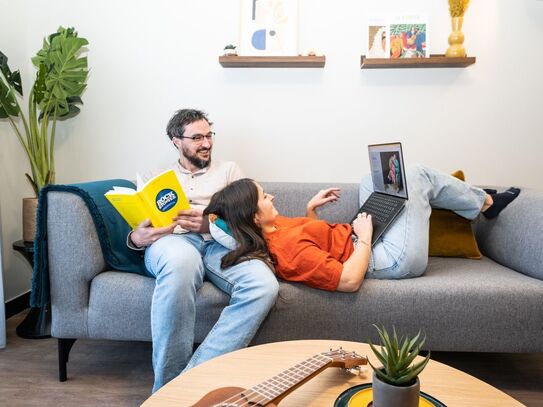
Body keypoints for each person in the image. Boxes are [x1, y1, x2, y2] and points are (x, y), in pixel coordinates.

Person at [128, 109, 279, 392]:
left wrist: (209, 223)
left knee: (264, 285)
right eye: (197, 137)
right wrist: (138, 237)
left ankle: (188, 383)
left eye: (209, 135)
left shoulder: (230, 171)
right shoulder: (153, 177)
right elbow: (138, 228)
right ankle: (167, 390)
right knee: (180, 263)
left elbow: (248, 218)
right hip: (172, 243)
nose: (206, 143)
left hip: (218, 243)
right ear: (176, 141)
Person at [204, 165, 521, 292]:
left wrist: (311, 211)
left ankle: (481, 202)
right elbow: (348, 280)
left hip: (362, 237)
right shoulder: (286, 252)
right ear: (253, 218)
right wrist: (365, 240)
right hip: (383, 260)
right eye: (263, 196)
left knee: (375, 177)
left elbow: (316, 242)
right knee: (417, 175)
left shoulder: (272, 226)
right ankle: (487, 204)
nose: (271, 196)